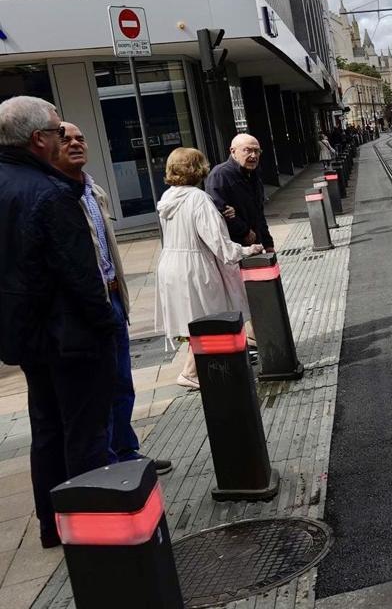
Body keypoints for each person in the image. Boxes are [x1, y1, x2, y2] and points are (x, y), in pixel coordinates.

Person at [0, 97, 119, 548]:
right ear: (38, 140)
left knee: (47, 429)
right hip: (70, 336)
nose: (63, 136)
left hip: (27, 336)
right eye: (56, 130)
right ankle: (91, 532)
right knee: (84, 432)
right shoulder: (51, 193)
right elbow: (81, 276)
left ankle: (54, 526)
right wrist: (106, 325)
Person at [52, 123, 172, 474]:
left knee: (121, 381)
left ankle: (126, 450)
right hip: (87, 307)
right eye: (65, 139)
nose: (75, 143)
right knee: (97, 388)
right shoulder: (57, 196)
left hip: (114, 299)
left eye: (80, 138)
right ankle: (106, 461)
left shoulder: (93, 190)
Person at [156, 148, 263, 388]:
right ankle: (191, 372)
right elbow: (217, 241)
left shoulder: (168, 197)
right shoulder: (198, 198)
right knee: (209, 318)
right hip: (195, 266)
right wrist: (245, 250)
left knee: (195, 319)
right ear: (198, 168)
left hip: (171, 265)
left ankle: (198, 369)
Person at [206, 133, 274, 252]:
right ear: (233, 151)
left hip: (255, 246)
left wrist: (268, 244)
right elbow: (220, 212)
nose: (253, 155)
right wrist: (244, 231)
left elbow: (259, 214)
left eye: (257, 151)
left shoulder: (253, 175)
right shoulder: (220, 175)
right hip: (233, 250)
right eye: (247, 150)